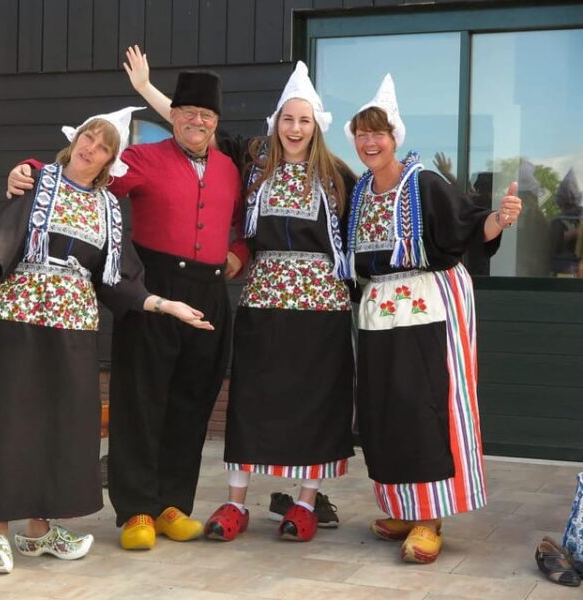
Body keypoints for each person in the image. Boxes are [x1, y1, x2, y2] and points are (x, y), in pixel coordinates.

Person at [0, 107, 215, 574]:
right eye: (89, 137)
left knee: (60, 424)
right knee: (7, 420)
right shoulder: (36, 183)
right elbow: (6, 237)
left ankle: (38, 530)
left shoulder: (109, 209)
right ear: (75, 139)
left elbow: (119, 280)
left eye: (104, 146)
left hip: (73, 326)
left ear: (110, 161)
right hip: (16, 318)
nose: (92, 148)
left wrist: (164, 305)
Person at [6, 71, 248, 551]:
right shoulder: (143, 157)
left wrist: (238, 252)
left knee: (192, 402)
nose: (197, 122)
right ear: (173, 116)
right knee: (140, 400)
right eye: (188, 113)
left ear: (216, 121)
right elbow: (87, 175)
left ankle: (172, 504)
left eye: (206, 115)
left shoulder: (229, 168)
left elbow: (244, 222)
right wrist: (31, 169)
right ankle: (137, 507)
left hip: (210, 293)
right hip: (153, 286)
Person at [121, 49, 353, 539]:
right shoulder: (251, 160)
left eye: (304, 120)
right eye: (287, 119)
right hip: (244, 297)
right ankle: (210, 503)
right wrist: (145, 90)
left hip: (305, 304)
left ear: (317, 125)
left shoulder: (336, 176)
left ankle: (296, 502)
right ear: (275, 123)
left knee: (299, 400)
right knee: (238, 399)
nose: (295, 128)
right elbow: (189, 124)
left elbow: (375, 212)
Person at [344, 74, 522, 563]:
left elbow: (470, 226)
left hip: (431, 302)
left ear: (394, 137)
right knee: (386, 408)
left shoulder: (423, 183)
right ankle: (405, 508)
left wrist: (501, 218)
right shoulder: (360, 192)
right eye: (361, 133)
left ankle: (431, 516)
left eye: (378, 133)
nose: (370, 142)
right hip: (379, 310)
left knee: (426, 404)